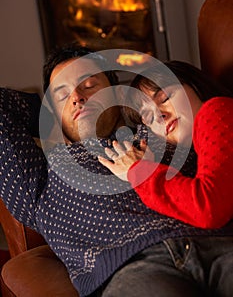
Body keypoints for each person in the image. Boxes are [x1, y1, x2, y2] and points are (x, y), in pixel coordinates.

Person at [1, 46, 233, 297]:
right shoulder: (42, 182)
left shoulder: (161, 126)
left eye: (89, 85)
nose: (77, 96)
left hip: (219, 245)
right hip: (135, 271)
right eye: (62, 95)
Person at [98, 60, 233, 229]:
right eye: (150, 118)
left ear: (194, 85)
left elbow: (209, 208)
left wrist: (140, 171)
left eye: (165, 98)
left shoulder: (216, 110)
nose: (160, 116)